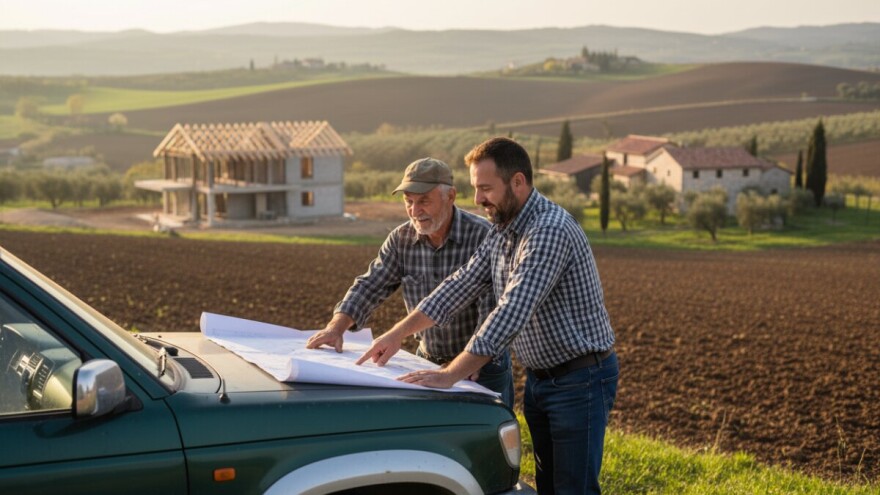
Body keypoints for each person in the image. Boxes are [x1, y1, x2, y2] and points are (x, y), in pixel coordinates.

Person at [356, 138, 618, 495]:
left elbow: (511, 311)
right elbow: (459, 284)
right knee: (550, 485)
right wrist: (396, 334)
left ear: (518, 182)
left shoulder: (548, 231)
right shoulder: (504, 229)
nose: (478, 199)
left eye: (485, 188)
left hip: (579, 380)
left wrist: (450, 374)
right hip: (542, 381)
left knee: (574, 488)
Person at [306, 157, 514, 407]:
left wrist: (461, 366)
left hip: (480, 366)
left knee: (483, 437)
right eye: (409, 202)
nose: (415, 211)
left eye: (424, 201)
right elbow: (370, 285)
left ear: (451, 196)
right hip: (425, 359)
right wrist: (335, 327)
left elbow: (491, 311)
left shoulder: (484, 236)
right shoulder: (401, 239)